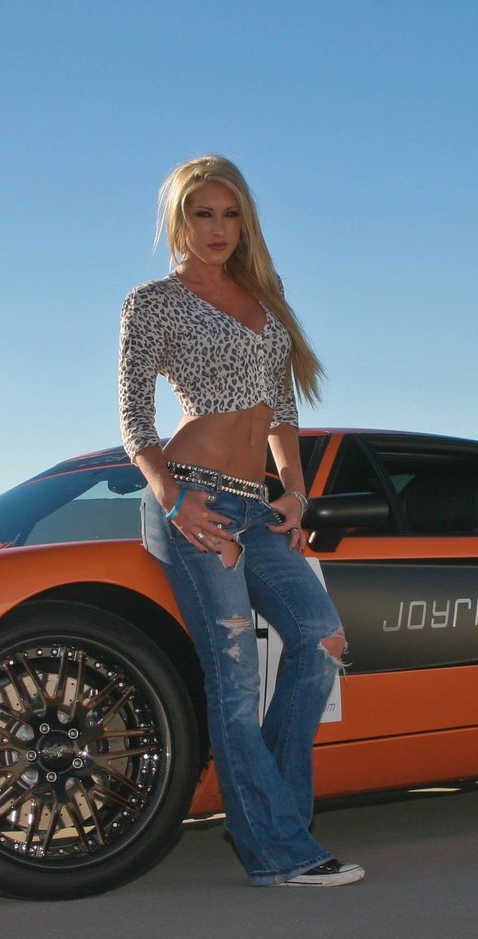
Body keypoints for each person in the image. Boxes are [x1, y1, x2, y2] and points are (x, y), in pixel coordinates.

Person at [117, 155, 362, 888]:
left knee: (321, 642)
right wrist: (171, 499)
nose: (217, 228)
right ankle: (279, 852)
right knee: (232, 680)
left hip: (259, 507)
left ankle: (276, 819)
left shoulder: (264, 294)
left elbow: (282, 410)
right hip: (197, 500)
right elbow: (135, 419)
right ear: (178, 221)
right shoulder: (154, 301)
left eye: (230, 213)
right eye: (202, 213)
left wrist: (295, 491)